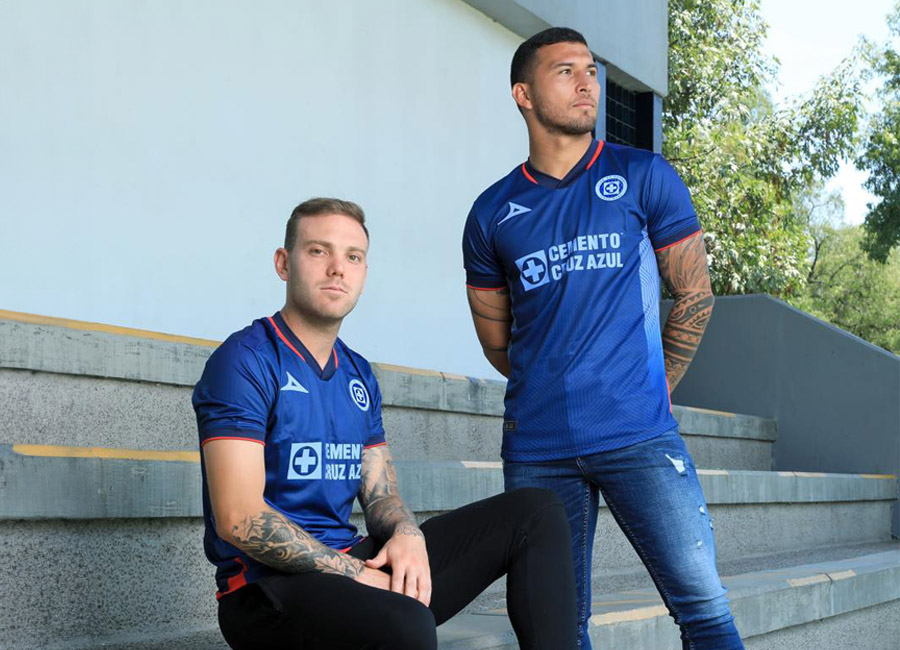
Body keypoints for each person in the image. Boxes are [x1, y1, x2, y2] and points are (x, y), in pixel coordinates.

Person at [462, 27, 744, 650]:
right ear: (523, 95)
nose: (586, 81)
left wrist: (652, 387)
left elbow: (694, 296)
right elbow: (496, 340)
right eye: (565, 71)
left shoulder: (643, 175)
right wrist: (552, 381)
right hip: (537, 448)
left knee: (704, 612)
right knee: (556, 632)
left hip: (639, 433)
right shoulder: (491, 212)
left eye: (590, 69)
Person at [193, 197, 578, 650]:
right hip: (263, 591)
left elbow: (380, 496)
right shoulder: (245, 361)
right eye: (318, 251)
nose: (337, 268)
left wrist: (406, 533)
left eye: (353, 257)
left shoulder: (357, 373)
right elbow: (238, 518)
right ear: (283, 263)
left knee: (535, 512)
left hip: (348, 565)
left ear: (363, 273)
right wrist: (356, 573)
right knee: (404, 623)